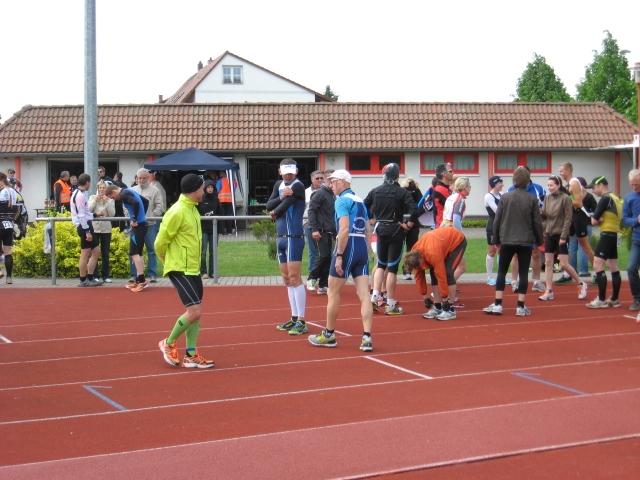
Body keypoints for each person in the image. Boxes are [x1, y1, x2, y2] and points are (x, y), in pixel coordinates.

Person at [308, 169, 374, 351]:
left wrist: (338, 255)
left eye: (333, 181)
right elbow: (368, 228)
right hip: (361, 246)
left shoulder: (341, 201)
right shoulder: (359, 200)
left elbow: (344, 229)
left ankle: (329, 334)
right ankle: (367, 337)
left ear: (343, 182)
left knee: (333, 292)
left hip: (347, 245)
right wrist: (367, 250)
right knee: (364, 295)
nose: (331, 185)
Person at [157, 174, 214, 368]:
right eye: (202, 188)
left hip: (193, 269)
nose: (204, 191)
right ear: (194, 190)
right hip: (179, 268)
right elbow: (160, 242)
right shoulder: (177, 211)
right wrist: (168, 262)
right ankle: (168, 342)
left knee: (196, 313)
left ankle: (191, 355)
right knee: (194, 311)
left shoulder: (193, 209)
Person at [484, 166, 543, 316]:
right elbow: (537, 222)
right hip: (525, 241)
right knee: (523, 273)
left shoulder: (505, 197)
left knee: (502, 272)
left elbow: (497, 220)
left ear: (514, 181)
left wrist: (496, 239)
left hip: (507, 240)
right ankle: (520, 306)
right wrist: (539, 239)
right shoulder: (532, 199)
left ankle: (498, 304)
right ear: (527, 181)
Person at [364, 163, 417, 315]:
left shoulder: (375, 191)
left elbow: (364, 205)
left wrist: (371, 217)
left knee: (381, 264)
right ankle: (391, 303)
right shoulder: (402, 192)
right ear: (397, 176)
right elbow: (414, 209)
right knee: (392, 268)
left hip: (380, 228)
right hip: (396, 230)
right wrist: (407, 222)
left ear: (384, 175)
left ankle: (374, 297)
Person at [267, 158, 308, 335]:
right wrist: (281, 197)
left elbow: (281, 207)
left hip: (294, 237)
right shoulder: (278, 185)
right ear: (280, 172)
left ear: (296, 172)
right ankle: (294, 317)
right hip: (281, 237)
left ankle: (302, 320)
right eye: (285, 173)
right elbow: (268, 204)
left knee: (294, 277)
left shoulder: (298, 186)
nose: (288, 176)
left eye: (291, 172)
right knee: (286, 279)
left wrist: (275, 211)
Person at [537, 175, 588, 301]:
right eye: (548, 185)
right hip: (549, 234)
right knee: (548, 262)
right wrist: (540, 217)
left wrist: (564, 236)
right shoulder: (547, 198)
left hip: (561, 235)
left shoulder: (565, 198)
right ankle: (549, 290)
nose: (549, 187)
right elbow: (544, 216)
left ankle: (581, 283)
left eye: (551, 185)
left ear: (558, 185)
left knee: (564, 264)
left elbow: (568, 219)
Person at [404, 227, 467, 321]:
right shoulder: (414, 254)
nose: (420, 268)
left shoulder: (433, 253)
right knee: (433, 274)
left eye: (419, 266)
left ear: (421, 259)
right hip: (438, 243)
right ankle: (437, 307)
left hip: (457, 241)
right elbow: (419, 276)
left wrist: (445, 300)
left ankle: (450, 309)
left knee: (447, 273)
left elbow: (441, 276)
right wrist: (425, 297)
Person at [507, 166, 546, 293]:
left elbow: (544, 207)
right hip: (516, 227)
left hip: (532, 226)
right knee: (515, 254)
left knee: (536, 253)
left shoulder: (539, 189)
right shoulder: (511, 189)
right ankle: (514, 281)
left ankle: (536, 281)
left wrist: (540, 213)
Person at [585, 176, 622, 308]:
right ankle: (615, 299)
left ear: (601, 185)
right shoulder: (616, 197)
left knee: (597, 264)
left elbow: (594, 221)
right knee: (613, 266)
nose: (593, 191)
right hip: (615, 233)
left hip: (607, 234)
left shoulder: (605, 199)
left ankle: (601, 300)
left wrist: (594, 217)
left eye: (594, 187)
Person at [105, 183, 149, 292]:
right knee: (138, 253)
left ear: (114, 192)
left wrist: (134, 219)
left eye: (113, 197)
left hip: (139, 226)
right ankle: (140, 280)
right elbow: (145, 201)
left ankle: (141, 281)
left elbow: (136, 203)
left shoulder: (124, 194)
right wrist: (141, 217)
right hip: (141, 225)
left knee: (134, 253)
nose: (114, 199)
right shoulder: (128, 191)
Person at [440, 176, 470, 302]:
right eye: (469, 186)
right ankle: (444, 294)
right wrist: (460, 236)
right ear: (464, 187)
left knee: (449, 265)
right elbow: (456, 219)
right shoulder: (460, 200)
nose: (470, 189)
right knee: (460, 267)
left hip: (444, 229)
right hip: (451, 233)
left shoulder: (451, 197)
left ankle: (443, 292)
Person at [132, 168, 165, 282]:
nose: (141, 180)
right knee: (135, 251)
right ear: (137, 178)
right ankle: (135, 274)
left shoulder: (155, 190)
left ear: (148, 178)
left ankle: (152, 274)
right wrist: (131, 217)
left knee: (151, 250)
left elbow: (160, 206)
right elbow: (125, 206)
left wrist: (151, 215)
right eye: (139, 178)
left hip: (149, 225)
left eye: (144, 178)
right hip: (136, 226)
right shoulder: (132, 190)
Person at [307, 169, 336, 295]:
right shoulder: (319, 193)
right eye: (330, 179)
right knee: (323, 256)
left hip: (330, 231)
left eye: (334, 179)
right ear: (325, 179)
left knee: (328, 258)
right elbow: (311, 211)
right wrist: (314, 229)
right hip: (320, 231)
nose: (332, 181)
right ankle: (311, 278)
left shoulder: (333, 195)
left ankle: (323, 285)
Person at [70, 174, 102, 287]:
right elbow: (81, 215)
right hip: (84, 226)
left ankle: (89, 278)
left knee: (96, 251)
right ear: (87, 183)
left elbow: (84, 213)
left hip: (86, 225)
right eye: (90, 183)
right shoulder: (79, 195)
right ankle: (83, 280)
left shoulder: (80, 193)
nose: (90, 185)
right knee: (85, 254)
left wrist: (95, 215)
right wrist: (87, 231)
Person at [88, 180, 115, 283]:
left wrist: (107, 202)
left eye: (104, 188)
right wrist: (95, 200)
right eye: (100, 188)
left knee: (105, 253)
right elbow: (89, 210)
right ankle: (95, 275)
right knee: (94, 253)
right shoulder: (92, 197)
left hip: (106, 229)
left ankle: (106, 276)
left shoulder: (110, 200)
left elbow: (112, 214)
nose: (102, 190)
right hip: (95, 228)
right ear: (97, 189)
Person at [623, 169, 640, 315]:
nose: (634, 187)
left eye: (637, 184)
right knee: (631, 268)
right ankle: (637, 298)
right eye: (632, 184)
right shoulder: (629, 198)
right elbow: (624, 219)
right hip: (637, 239)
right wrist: (636, 220)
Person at [304, 170, 325, 291]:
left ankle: (323, 280)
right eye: (317, 178)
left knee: (326, 254)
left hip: (325, 227)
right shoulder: (306, 192)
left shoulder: (328, 192)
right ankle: (312, 279)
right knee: (313, 252)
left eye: (322, 178)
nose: (320, 180)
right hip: (310, 225)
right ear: (312, 180)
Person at [400, 178, 423, 280]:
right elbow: (420, 206)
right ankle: (406, 271)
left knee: (409, 249)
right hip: (409, 223)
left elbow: (420, 206)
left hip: (408, 223)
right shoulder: (415, 191)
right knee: (408, 249)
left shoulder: (414, 191)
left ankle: (406, 271)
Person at [198, 179, 219, 279]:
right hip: (203, 229)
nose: (210, 189)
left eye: (211, 187)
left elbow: (220, 214)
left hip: (214, 229)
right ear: (205, 188)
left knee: (213, 252)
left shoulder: (216, 199)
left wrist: (222, 229)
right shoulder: (201, 200)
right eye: (208, 187)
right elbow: (197, 213)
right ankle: (203, 272)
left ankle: (212, 272)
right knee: (203, 252)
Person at [484, 175, 503, 285]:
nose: (502, 184)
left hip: (502, 226)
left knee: (501, 251)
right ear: (494, 184)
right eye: (500, 183)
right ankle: (489, 277)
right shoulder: (488, 196)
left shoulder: (502, 194)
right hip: (492, 227)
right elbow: (497, 211)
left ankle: (501, 276)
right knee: (492, 251)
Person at [0, 172, 19, 285]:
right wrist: (12, 220)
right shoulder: (13, 191)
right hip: (9, 224)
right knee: (8, 251)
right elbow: (17, 209)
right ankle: (9, 277)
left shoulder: (2, 192)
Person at [432, 163, 453, 228]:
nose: (452, 173)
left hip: (445, 226)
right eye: (450, 171)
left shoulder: (445, 188)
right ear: (443, 174)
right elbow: (453, 207)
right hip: (443, 227)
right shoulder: (440, 189)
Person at [216, 171, 235, 235]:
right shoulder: (232, 180)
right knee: (229, 216)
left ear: (224, 173)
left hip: (221, 201)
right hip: (230, 200)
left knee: (222, 216)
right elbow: (234, 187)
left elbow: (217, 190)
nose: (220, 174)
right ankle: (229, 231)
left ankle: (223, 232)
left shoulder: (220, 181)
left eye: (221, 172)